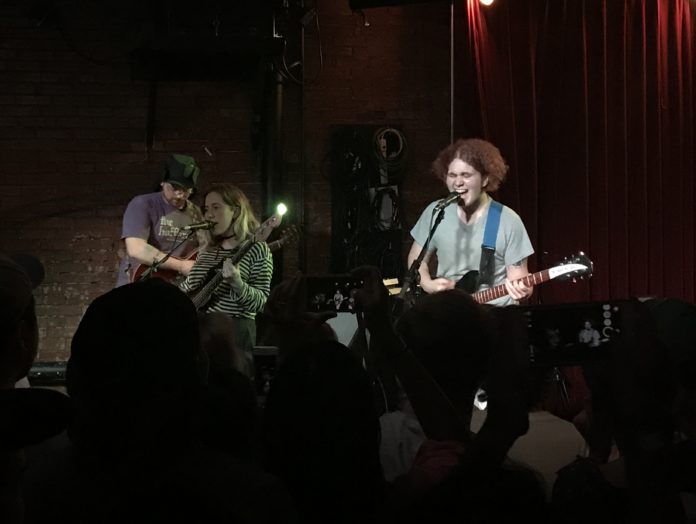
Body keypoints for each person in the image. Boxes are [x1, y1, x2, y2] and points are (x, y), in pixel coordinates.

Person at [407, 138, 534, 305]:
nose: (457, 182)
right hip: (450, 313)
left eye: (465, 175)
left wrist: (522, 292)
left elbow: (520, 279)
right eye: (452, 175)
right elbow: (416, 261)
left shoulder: (508, 220)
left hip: (495, 317)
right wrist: (428, 285)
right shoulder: (436, 211)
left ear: (485, 179)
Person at [179, 183, 273, 375]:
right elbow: (188, 289)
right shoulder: (206, 253)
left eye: (216, 208)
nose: (209, 215)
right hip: (202, 333)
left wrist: (237, 284)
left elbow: (261, 303)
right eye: (206, 209)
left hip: (236, 333)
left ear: (236, 212)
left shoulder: (258, 249)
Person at [115, 154, 204, 287]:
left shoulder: (196, 213)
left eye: (186, 189)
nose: (180, 193)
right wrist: (181, 266)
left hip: (176, 288)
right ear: (163, 181)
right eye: (174, 187)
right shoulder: (142, 204)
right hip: (139, 283)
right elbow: (137, 249)